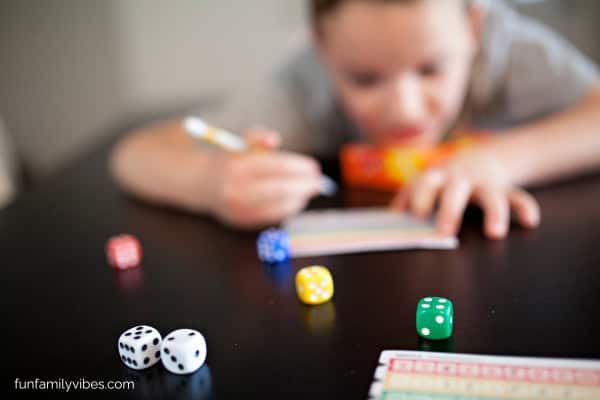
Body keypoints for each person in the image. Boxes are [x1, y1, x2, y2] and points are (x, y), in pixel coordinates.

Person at [109, 0, 600, 239]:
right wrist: (210, 182)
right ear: (322, 51)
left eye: (431, 69)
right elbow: (135, 154)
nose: (405, 110)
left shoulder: (505, 47)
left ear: (472, 28)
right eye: (365, 79)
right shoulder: (305, 88)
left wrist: (498, 161)